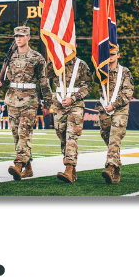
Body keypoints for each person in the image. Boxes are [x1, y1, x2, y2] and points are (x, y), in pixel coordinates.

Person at [0, 26, 53, 180]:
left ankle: (18, 164)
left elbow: (44, 82)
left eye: (21, 36)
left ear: (28, 37)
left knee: (24, 134)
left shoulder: (37, 57)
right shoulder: (10, 57)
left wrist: (47, 103)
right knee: (16, 136)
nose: (18, 38)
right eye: (16, 36)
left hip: (29, 101)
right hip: (12, 100)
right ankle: (29, 168)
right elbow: (5, 80)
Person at [48, 50, 94, 183]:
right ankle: (72, 169)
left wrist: (73, 98)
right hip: (58, 103)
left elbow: (87, 86)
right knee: (62, 136)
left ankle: (68, 168)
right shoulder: (57, 64)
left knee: (71, 135)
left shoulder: (81, 65)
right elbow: (46, 73)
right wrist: (53, 57)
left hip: (75, 104)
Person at [95, 49, 134, 184]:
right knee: (106, 136)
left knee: (115, 136)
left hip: (120, 109)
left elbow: (128, 92)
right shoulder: (101, 71)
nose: (110, 57)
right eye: (108, 54)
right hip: (104, 108)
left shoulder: (125, 72)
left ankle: (110, 167)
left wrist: (115, 104)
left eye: (113, 54)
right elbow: (93, 80)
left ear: (118, 54)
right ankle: (117, 165)